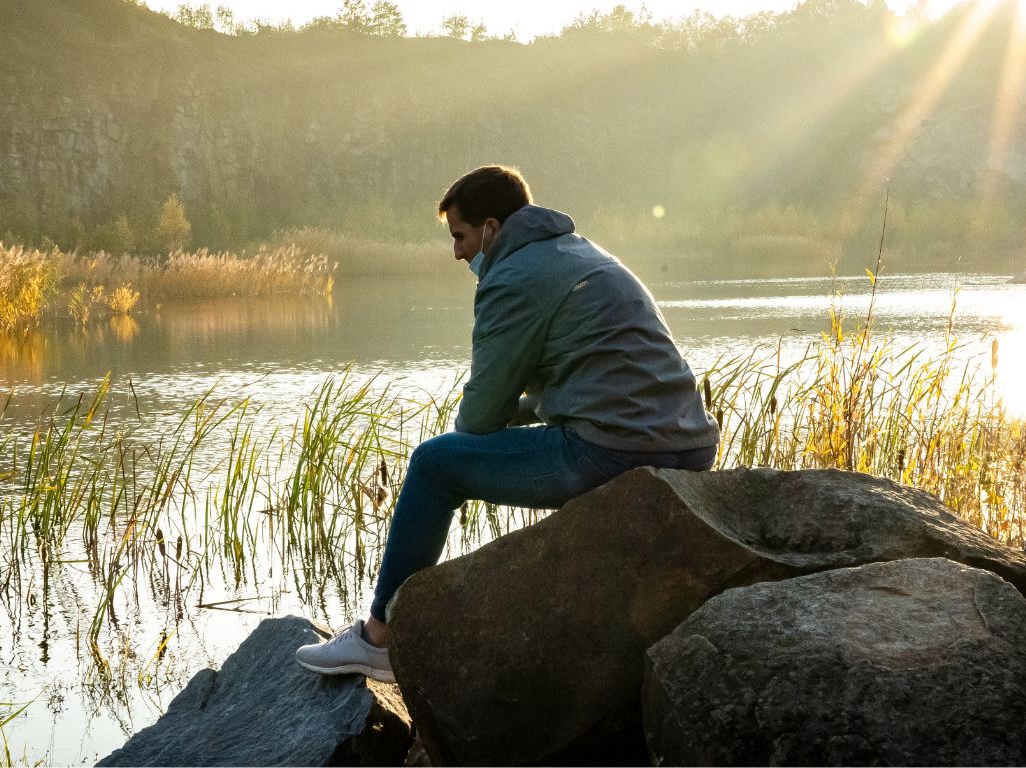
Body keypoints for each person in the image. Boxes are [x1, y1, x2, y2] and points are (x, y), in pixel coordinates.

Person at [295, 165, 720, 683]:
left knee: (433, 464)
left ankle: (378, 639)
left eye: (460, 236)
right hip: (688, 445)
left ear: (492, 230)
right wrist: (513, 412)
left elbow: (479, 419)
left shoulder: (512, 278)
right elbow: (578, 380)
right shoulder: (581, 253)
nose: (456, 253)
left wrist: (478, 428)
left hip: (612, 450)